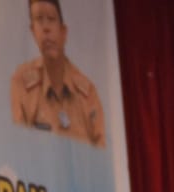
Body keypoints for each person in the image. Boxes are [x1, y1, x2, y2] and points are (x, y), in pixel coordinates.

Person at [9, 0, 106, 147]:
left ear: (63, 31)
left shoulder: (87, 93)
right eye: (39, 20)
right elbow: (18, 147)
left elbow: (101, 152)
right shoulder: (21, 83)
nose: (46, 28)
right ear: (33, 31)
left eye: (51, 19)